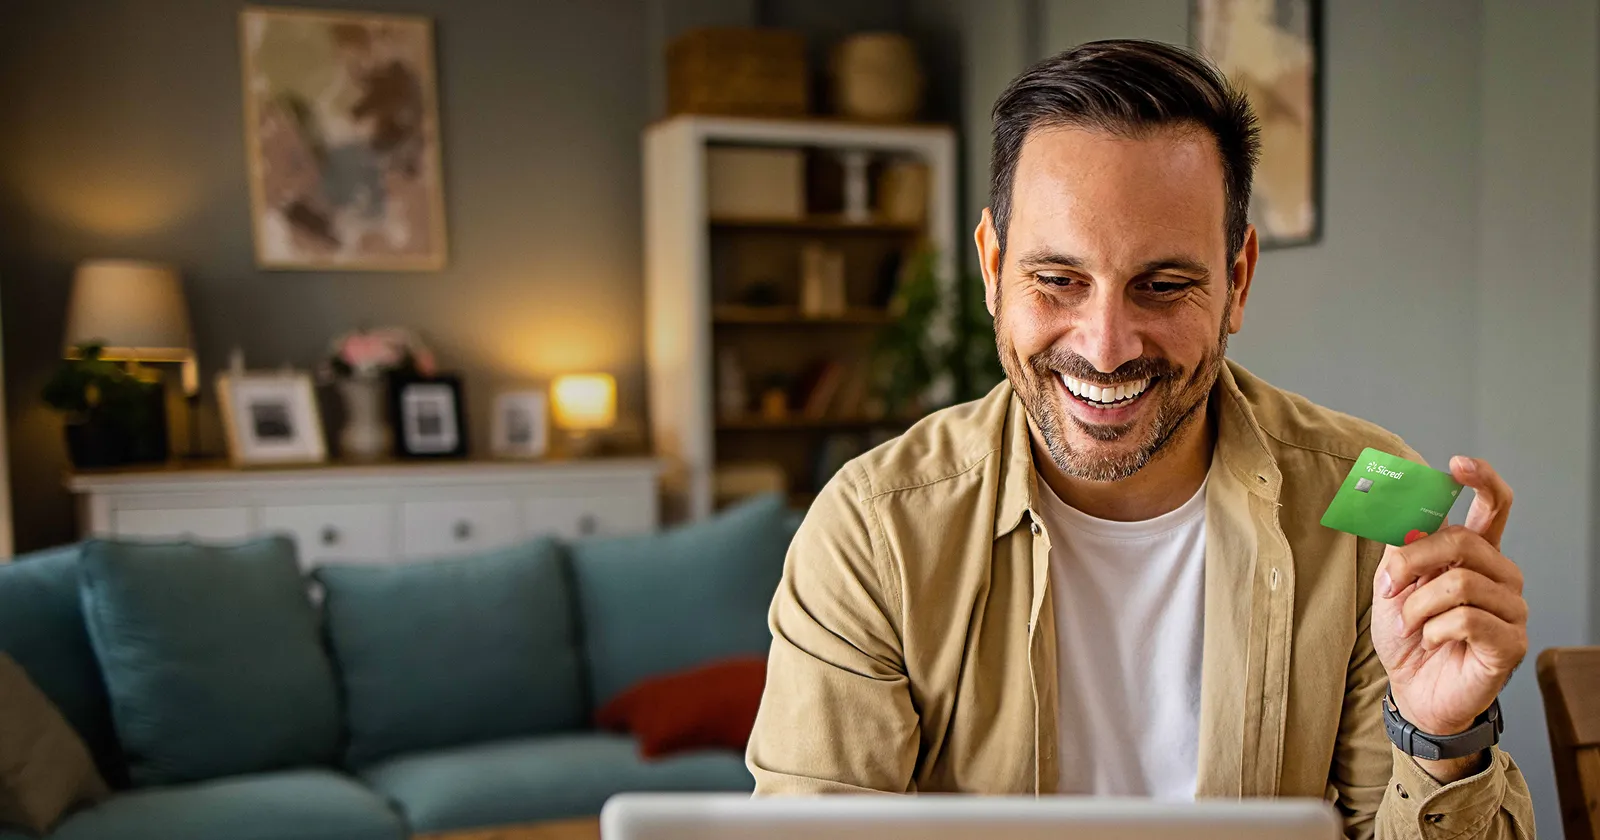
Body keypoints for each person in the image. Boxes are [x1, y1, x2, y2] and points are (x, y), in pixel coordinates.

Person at [745, 39, 1535, 840]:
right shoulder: (870, 527)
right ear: (991, 267)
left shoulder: (1381, 489)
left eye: (1162, 286)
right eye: (1057, 281)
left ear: (1239, 280)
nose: (1106, 345)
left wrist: (1441, 743)